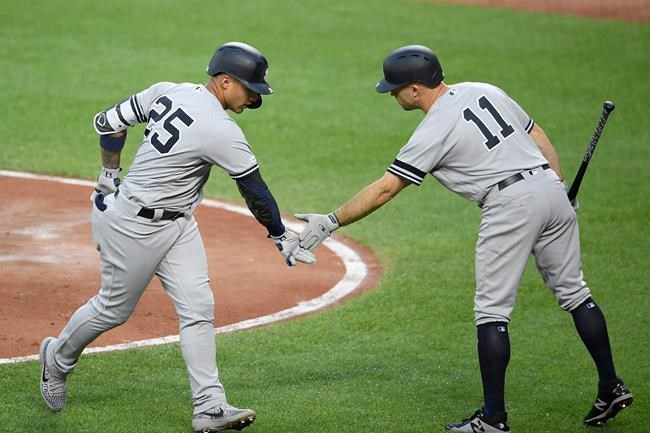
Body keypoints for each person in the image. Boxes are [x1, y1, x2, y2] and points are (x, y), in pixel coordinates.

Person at [295, 45, 632, 432]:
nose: (391, 94)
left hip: (510, 204)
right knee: (575, 293)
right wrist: (557, 183)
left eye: (395, 88)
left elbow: (387, 188)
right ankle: (611, 385)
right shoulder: (484, 89)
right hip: (549, 188)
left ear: (417, 89)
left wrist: (332, 220)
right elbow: (536, 133)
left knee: (491, 311)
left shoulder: (434, 129)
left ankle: (493, 419)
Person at [39, 41, 314, 433]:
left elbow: (108, 124)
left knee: (198, 309)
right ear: (224, 81)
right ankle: (57, 359)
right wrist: (279, 233)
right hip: (134, 225)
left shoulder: (167, 90)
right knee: (113, 309)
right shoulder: (221, 130)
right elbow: (254, 189)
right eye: (250, 89)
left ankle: (210, 406)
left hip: (180, 224)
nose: (254, 97)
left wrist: (108, 175)